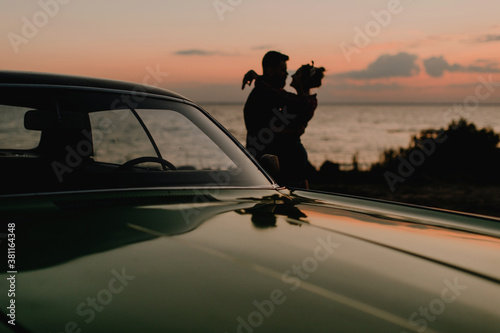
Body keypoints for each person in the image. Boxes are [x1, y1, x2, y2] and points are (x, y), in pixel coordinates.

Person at [242, 51, 325, 188]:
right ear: (270, 71)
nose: (288, 74)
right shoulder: (265, 96)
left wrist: (257, 77)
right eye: (283, 70)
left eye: (293, 73)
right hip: (270, 163)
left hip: (285, 162)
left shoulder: (297, 101)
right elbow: (261, 132)